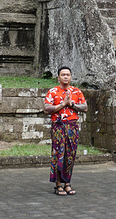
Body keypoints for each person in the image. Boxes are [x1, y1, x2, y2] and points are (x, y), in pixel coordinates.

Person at [44, 66, 86, 196]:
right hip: (58, 127)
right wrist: (62, 104)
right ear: (58, 77)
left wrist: (72, 105)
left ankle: (67, 183)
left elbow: (85, 107)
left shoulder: (76, 91)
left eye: (68, 74)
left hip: (72, 127)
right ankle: (58, 185)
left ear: (71, 77)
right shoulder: (52, 92)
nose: (65, 77)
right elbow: (46, 108)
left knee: (70, 155)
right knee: (58, 155)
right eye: (63, 74)